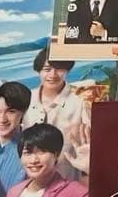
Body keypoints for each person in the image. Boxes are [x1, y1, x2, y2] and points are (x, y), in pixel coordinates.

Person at [21, 48, 90, 181]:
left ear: (67, 71)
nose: (53, 75)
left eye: (59, 69)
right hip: (30, 179)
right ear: (38, 71)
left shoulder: (80, 101)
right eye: (47, 69)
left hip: (66, 179)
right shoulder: (26, 98)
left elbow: (92, 143)